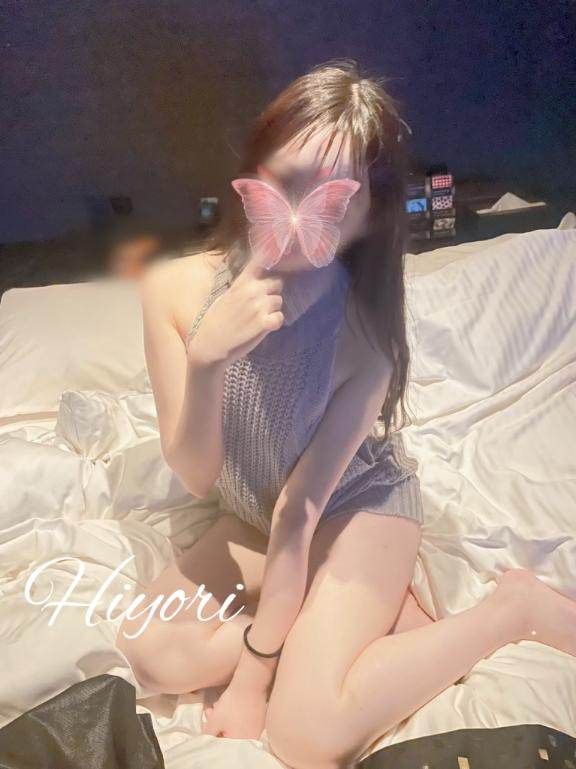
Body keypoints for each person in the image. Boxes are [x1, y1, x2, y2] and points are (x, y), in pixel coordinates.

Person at [116, 60, 576, 769]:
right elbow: (199, 477)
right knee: (152, 652)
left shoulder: (363, 335)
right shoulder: (173, 291)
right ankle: (339, 620)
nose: (297, 216)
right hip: (251, 513)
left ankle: (508, 611)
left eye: (330, 200)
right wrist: (206, 360)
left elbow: (298, 514)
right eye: (282, 180)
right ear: (253, 173)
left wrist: (255, 674)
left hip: (353, 507)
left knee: (305, 734)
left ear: (367, 217)